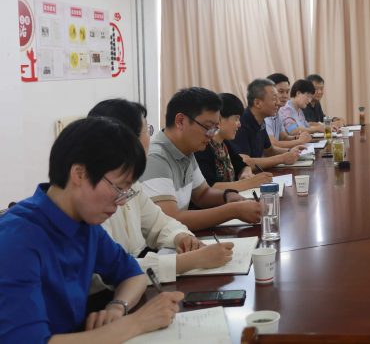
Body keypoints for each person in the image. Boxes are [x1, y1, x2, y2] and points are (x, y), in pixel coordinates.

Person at [0, 117, 183, 342]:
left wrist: (118, 306)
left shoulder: (84, 225)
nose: (121, 202)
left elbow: (132, 274)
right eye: (119, 188)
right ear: (80, 174)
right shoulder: (17, 239)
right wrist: (137, 322)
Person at [89, 99, 233, 286]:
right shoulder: (93, 196)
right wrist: (190, 261)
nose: (151, 136)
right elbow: (109, 271)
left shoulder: (132, 183)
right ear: (125, 139)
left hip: (136, 284)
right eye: (147, 130)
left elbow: (161, 222)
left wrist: (181, 237)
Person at [139, 87, 263, 231]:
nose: (212, 135)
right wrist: (234, 210)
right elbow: (171, 220)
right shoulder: (155, 158)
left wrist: (227, 195)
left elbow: (202, 194)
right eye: (208, 127)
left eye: (215, 128)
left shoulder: (187, 149)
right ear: (180, 121)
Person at [194, 93, 273, 191]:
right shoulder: (203, 147)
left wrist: (246, 173)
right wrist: (249, 183)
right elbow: (209, 187)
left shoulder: (224, 143)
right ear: (219, 119)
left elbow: (242, 165)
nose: (239, 124)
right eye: (236, 119)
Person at [229, 78, 304, 171]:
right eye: (274, 99)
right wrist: (282, 158)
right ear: (257, 103)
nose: (278, 103)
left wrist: (291, 152)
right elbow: (244, 162)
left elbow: (269, 150)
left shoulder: (261, 121)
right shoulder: (241, 123)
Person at [265, 73, 312, 149]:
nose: (285, 96)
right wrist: (299, 141)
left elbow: (284, 137)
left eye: (287, 92)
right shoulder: (267, 115)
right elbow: (273, 144)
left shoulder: (278, 113)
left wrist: (297, 138)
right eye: (281, 92)